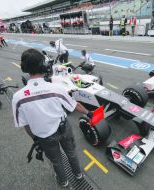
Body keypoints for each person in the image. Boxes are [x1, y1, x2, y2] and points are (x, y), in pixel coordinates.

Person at [12, 49, 92, 188]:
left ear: (25, 69)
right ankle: (78, 175)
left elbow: (25, 125)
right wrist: (88, 113)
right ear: (44, 67)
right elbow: (75, 105)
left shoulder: (17, 97)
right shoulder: (56, 88)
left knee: (56, 161)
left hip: (44, 136)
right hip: (63, 128)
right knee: (71, 153)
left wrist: (36, 139)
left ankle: (64, 182)